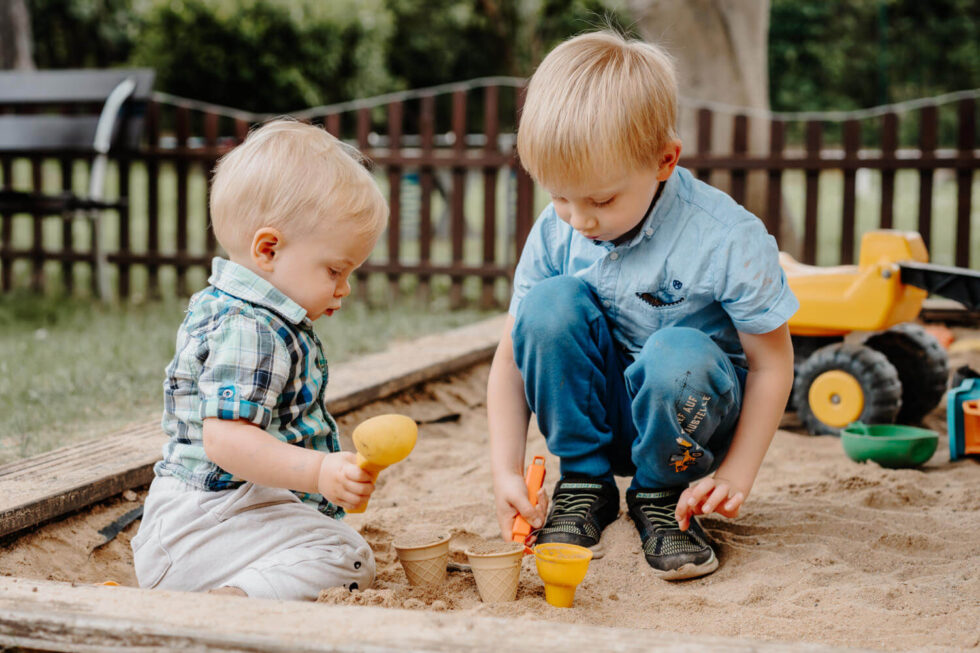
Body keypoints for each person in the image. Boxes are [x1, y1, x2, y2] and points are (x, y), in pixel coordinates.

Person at [488, 31, 798, 580]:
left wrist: (737, 474)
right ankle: (585, 484)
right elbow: (512, 359)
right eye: (558, 196)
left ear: (664, 159)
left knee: (675, 352)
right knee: (548, 305)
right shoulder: (557, 232)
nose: (578, 219)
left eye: (600, 199)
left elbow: (773, 364)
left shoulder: (725, 237)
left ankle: (659, 495)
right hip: (599, 416)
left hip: (687, 421)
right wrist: (506, 470)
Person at [131, 119, 389, 600]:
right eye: (335, 269)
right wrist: (318, 472)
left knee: (333, 543)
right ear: (268, 249)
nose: (344, 287)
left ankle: (230, 591)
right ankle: (228, 605)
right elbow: (227, 441)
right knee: (346, 558)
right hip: (206, 523)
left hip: (211, 516)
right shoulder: (253, 329)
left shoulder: (247, 314)